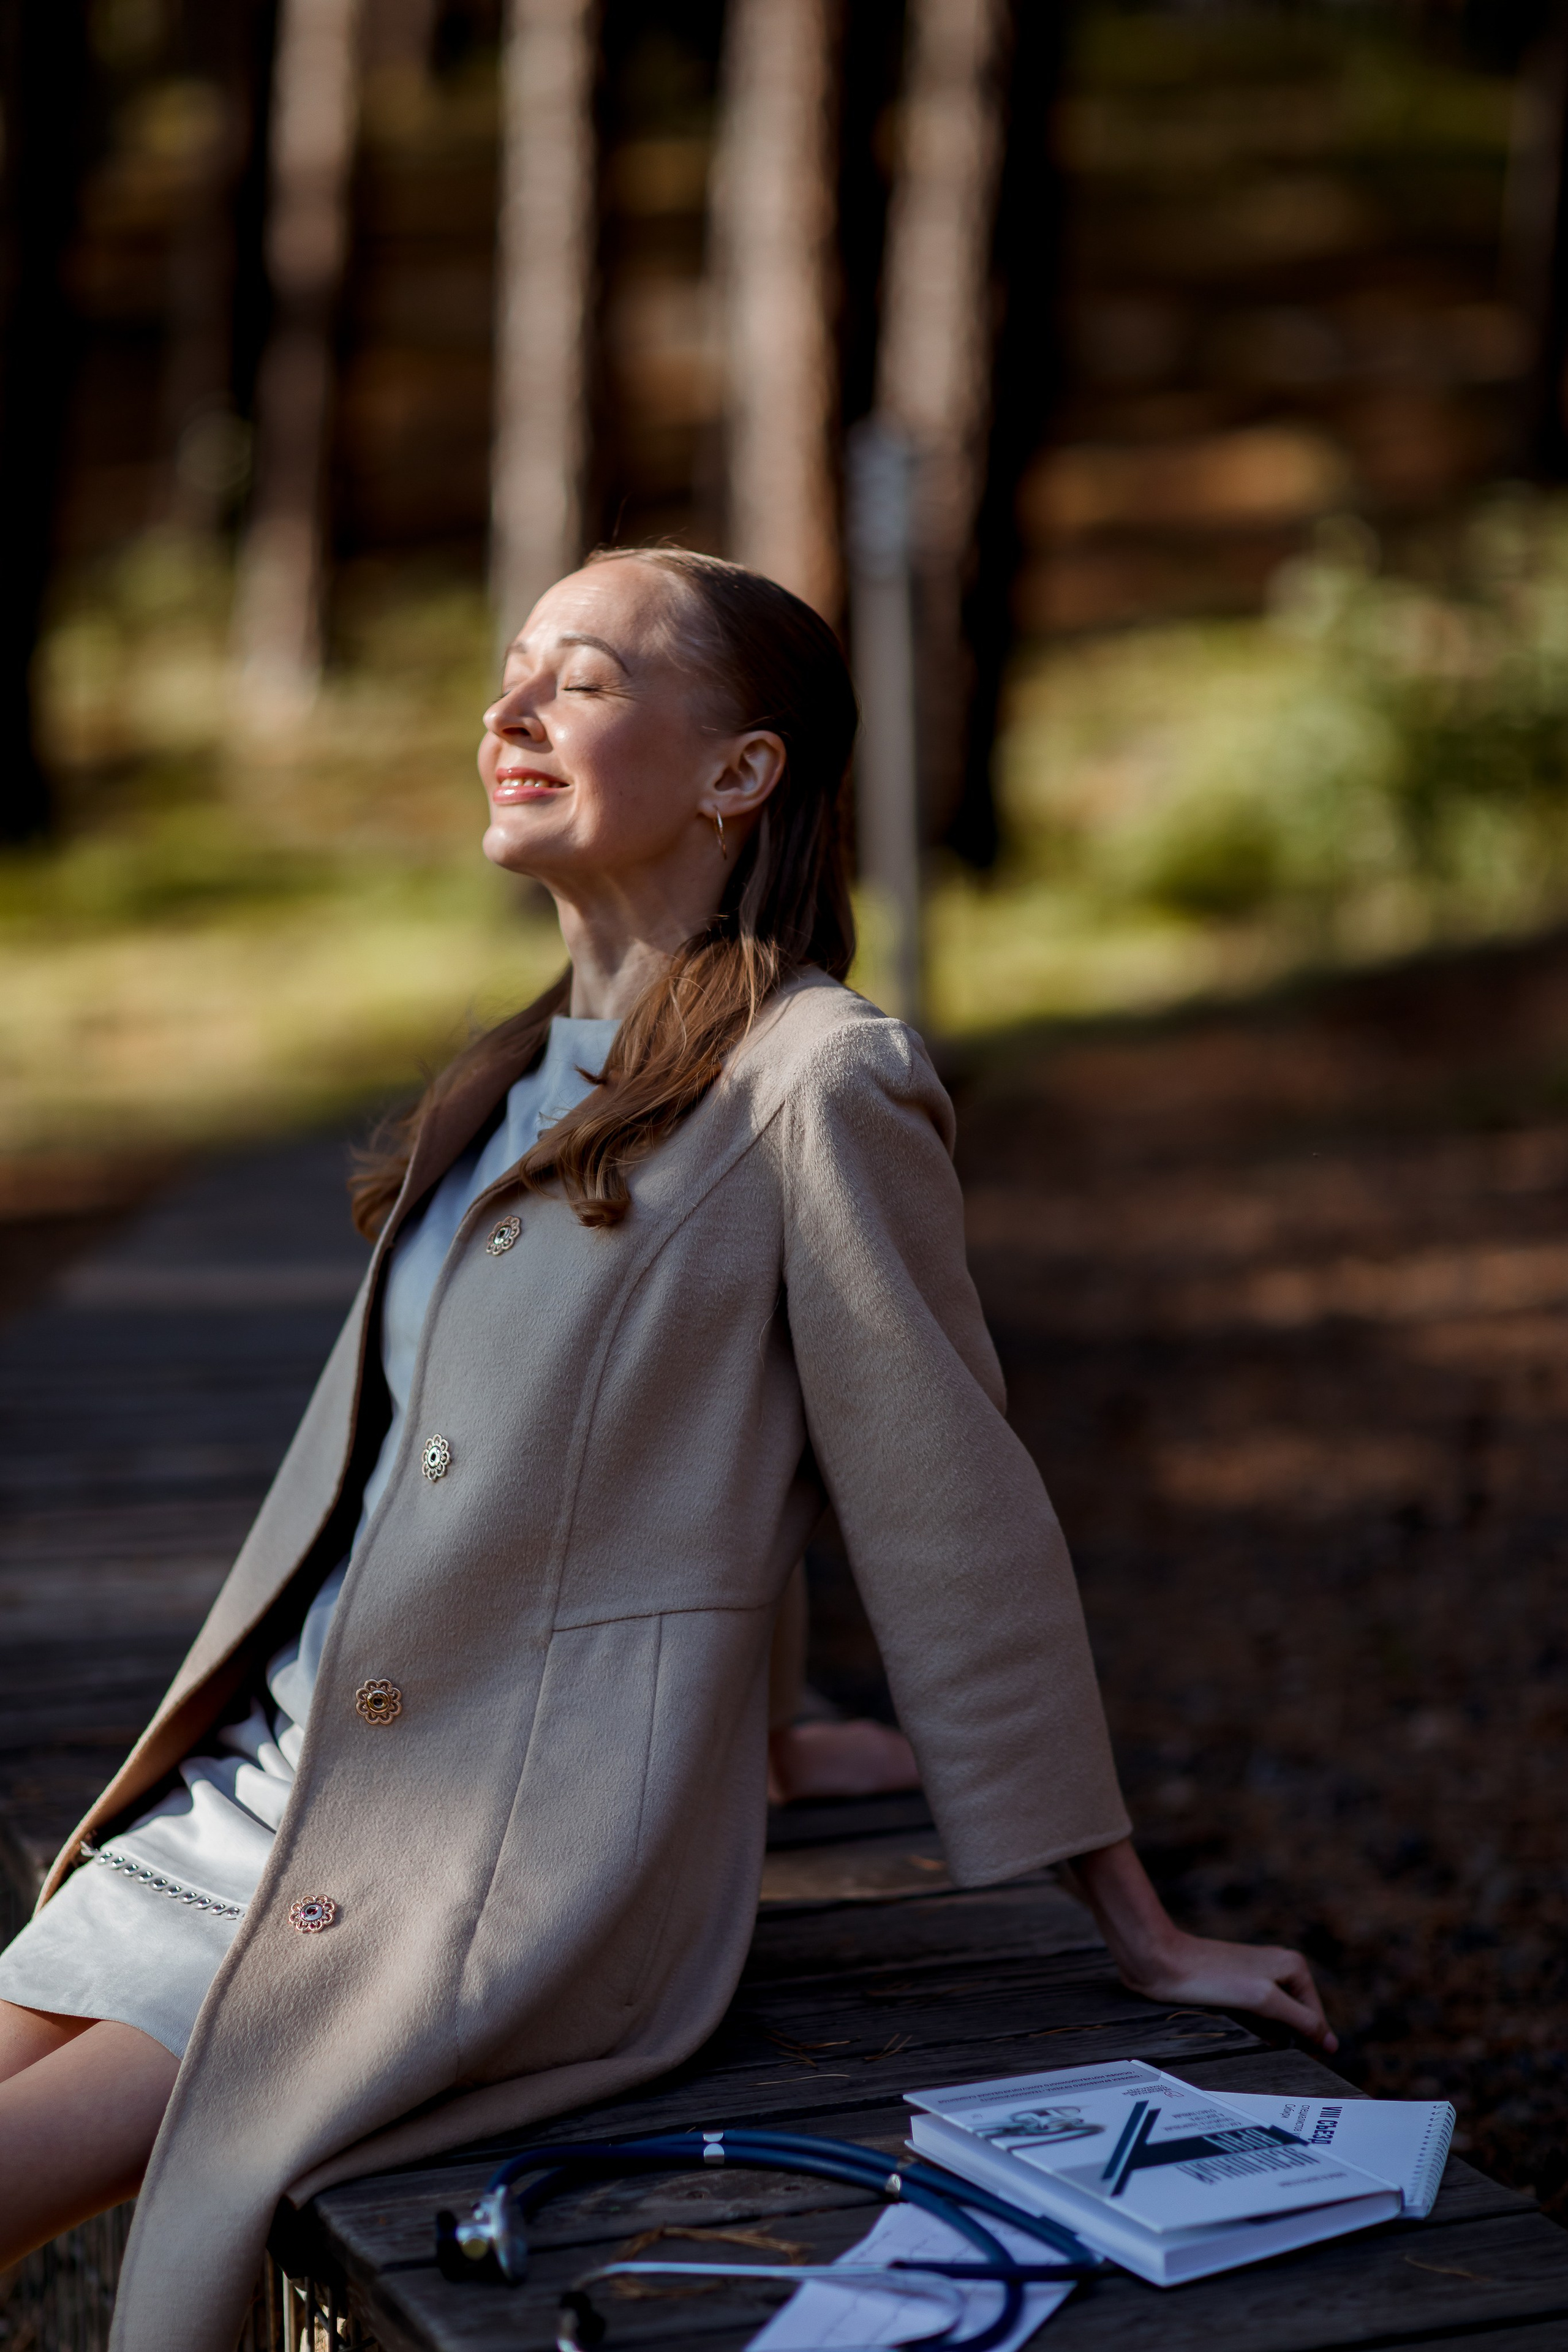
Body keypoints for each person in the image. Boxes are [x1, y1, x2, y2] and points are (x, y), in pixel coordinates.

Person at [0, 550, 1332, 2352]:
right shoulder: (508, 1079)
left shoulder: (819, 1084)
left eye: (589, 678)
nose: (513, 709)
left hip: (457, 1873)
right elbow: (675, 1460)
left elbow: (948, 1513)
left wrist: (1139, 1927)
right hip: (241, 1801)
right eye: (510, 669)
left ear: (740, 773)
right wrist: (768, 1734)